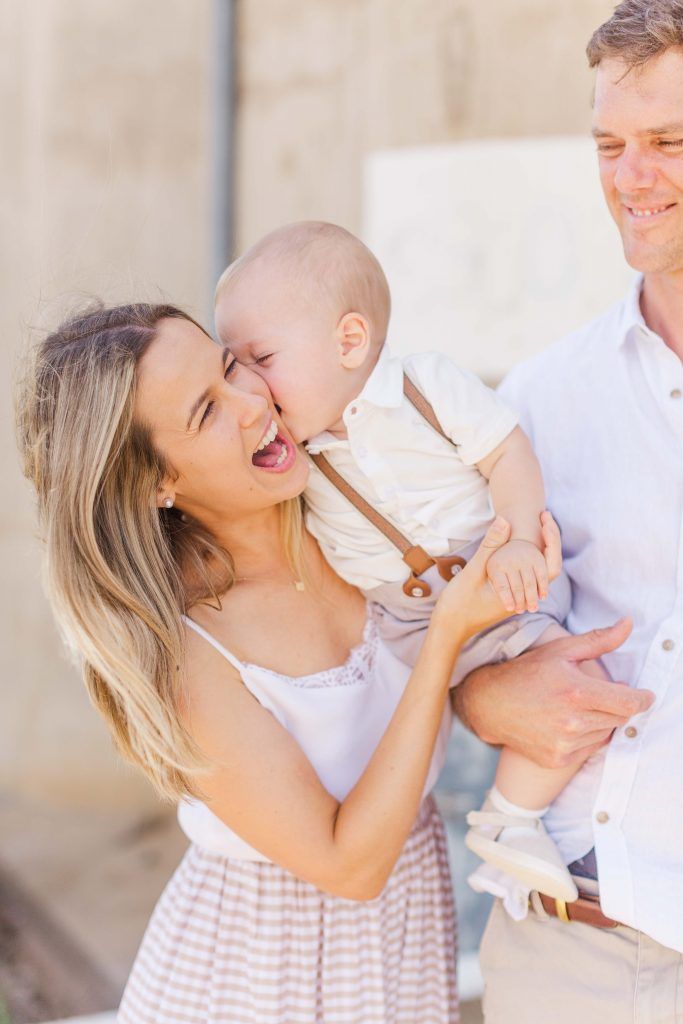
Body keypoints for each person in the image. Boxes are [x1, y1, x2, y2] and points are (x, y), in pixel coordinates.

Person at [15, 302, 562, 1023]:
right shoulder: (186, 650)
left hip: (405, 930)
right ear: (154, 483)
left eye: (231, 366)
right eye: (207, 411)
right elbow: (348, 867)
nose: (253, 402)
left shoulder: (355, 516)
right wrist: (447, 634)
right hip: (263, 970)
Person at [214, 220, 607, 904]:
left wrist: (518, 537)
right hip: (406, 626)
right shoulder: (294, 453)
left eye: (263, 358)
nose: (252, 388)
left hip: (496, 586)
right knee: (418, 733)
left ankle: (508, 820)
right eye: (234, 365)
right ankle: (500, 826)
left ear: (349, 341)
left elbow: (506, 453)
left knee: (577, 681)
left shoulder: (427, 387)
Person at [451, 1, 683, 1019]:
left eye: (667, 143)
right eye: (608, 146)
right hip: (570, 954)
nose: (631, 178)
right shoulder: (538, 403)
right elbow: (467, 651)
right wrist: (488, 697)